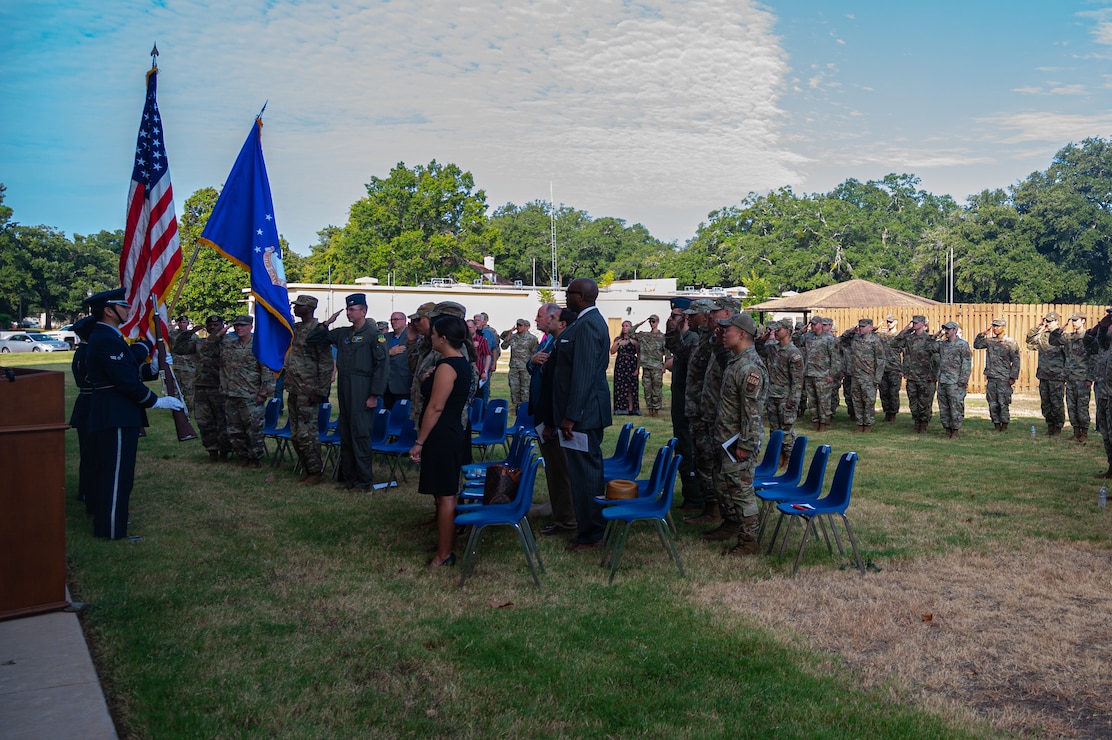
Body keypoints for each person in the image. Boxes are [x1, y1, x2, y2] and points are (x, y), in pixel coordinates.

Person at [84, 288, 184, 540]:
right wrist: (155, 402)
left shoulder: (109, 337)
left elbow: (129, 369)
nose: (129, 310)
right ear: (109, 310)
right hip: (115, 413)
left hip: (117, 412)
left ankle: (111, 522)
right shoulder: (105, 338)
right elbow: (123, 380)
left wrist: (151, 366)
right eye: (123, 306)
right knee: (116, 474)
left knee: (116, 472)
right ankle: (111, 531)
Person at [551, 278, 612, 550]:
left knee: (586, 474)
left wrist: (571, 415)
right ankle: (590, 529)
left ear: (582, 297)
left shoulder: (587, 324)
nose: (566, 298)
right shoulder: (587, 321)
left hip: (583, 415)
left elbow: (584, 374)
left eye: (569, 293)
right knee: (583, 472)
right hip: (583, 412)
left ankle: (592, 534)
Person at [409, 315, 473, 569]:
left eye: (434, 334)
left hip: (443, 433)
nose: (430, 337)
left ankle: (444, 554)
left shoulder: (448, 366)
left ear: (444, 338)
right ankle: (444, 544)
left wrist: (420, 442)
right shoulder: (458, 363)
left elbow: (435, 407)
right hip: (449, 431)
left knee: (446, 495)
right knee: (442, 493)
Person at [315, 293, 388, 489]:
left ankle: (364, 480)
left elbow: (382, 366)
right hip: (345, 385)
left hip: (363, 386)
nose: (349, 313)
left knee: (360, 433)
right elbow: (314, 339)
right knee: (346, 432)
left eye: (353, 310)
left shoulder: (375, 335)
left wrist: (374, 395)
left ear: (364, 311)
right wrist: (327, 322)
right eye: (348, 309)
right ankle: (348, 478)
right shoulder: (343, 334)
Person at [715, 312, 768, 556]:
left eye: (728, 330)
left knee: (742, 490)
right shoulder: (737, 361)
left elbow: (752, 412)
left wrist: (745, 444)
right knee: (733, 488)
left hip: (739, 442)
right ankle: (739, 532)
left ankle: (749, 542)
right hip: (729, 439)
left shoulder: (749, 368)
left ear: (742, 334)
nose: (724, 333)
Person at [697, 296, 743, 541]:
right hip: (715, 416)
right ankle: (726, 518)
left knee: (729, 475)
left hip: (728, 422)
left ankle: (736, 524)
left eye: (716, 313)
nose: (711, 316)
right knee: (718, 471)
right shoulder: (721, 341)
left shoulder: (736, 349)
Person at [532, 305, 578, 535]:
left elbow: (557, 389)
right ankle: (561, 516)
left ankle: (567, 520)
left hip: (553, 421)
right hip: (546, 418)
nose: (541, 320)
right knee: (556, 472)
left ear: (561, 323)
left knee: (562, 473)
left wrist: (551, 423)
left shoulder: (564, 346)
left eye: (551, 317)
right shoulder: (551, 343)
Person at [285, 295, 334, 484]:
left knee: (307, 434)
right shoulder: (295, 329)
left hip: (309, 390)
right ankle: (306, 467)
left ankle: (315, 471)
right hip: (294, 388)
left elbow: (325, 363)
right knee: (296, 434)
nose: (295, 309)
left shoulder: (318, 330)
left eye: (299, 306)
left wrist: (320, 391)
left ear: (310, 308)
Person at [682, 299, 722, 525]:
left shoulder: (714, 342)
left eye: (693, 315)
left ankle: (714, 510)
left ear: (705, 316)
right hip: (697, 408)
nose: (688, 318)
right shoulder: (704, 340)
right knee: (700, 459)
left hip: (707, 410)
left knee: (707, 460)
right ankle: (710, 507)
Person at [173, 315, 232, 462]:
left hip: (220, 387)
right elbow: (178, 348)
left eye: (216, 324)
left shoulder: (229, 343)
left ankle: (224, 452)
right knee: (204, 422)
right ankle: (212, 451)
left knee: (222, 422)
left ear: (222, 325)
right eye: (210, 325)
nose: (213, 327)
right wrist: (189, 333)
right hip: (201, 387)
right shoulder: (200, 342)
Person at [220, 315, 275, 469]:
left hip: (251, 395)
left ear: (251, 327)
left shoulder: (258, 347)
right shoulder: (230, 345)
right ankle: (242, 456)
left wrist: (263, 393)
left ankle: (255, 458)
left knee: (253, 429)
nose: (239, 328)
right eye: (237, 325)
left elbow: (267, 372)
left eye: (243, 325)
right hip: (232, 394)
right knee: (234, 430)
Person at [664, 302, 703, 510]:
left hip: (688, 402)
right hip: (680, 399)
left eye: (675, 315)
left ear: (685, 318)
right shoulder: (684, 338)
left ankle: (695, 497)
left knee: (688, 449)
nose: (672, 319)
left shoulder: (693, 339)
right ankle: (691, 496)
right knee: (681, 446)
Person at [758, 318, 803, 459]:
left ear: (788, 331)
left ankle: (788, 458)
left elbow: (797, 380)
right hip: (772, 395)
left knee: (787, 430)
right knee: (774, 430)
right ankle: (777, 458)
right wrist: (763, 338)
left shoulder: (793, 353)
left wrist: (793, 400)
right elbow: (757, 349)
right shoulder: (773, 348)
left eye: (779, 329)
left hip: (785, 397)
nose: (776, 332)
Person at [1050, 311, 1094, 443]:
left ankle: (1084, 433)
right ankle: (1076, 432)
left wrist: (1090, 378)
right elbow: (1053, 341)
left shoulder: (1088, 338)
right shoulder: (1068, 337)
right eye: (1073, 321)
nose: (1074, 323)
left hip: (1082, 378)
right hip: (1070, 378)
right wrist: (1058, 330)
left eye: (1077, 320)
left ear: (1083, 321)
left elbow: (1093, 359)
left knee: (1082, 407)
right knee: (1071, 406)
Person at [69, 315, 98, 515]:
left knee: (88, 452)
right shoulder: (89, 353)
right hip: (91, 403)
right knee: (92, 453)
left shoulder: (82, 351)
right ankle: (88, 490)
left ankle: (85, 489)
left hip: (86, 403)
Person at [893, 315, 939, 434]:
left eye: (916, 323)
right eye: (913, 322)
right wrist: (904, 330)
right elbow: (893, 344)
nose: (914, 324)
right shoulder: (909, 338)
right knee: (913, 402)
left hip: (925, 377)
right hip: (911, 376)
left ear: (923, 324)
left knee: (925, 402)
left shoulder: (929, 339)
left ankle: (923, 424)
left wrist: (933, 375)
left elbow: (936, 359)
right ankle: (916, 423)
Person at [974, 318, 1021, 431]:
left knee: (1003, 402)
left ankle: (1004, 424)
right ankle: (996, 424)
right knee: (992, 403)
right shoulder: (990, 341)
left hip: (1004, 378)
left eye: (998, 326)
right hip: (992, 377)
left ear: (1004, 327)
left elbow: (1016, 360)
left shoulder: (1010, 342)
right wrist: (982, 335)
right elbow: (977, 345)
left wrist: (1013, 377)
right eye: (994, 326)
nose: (995, 328)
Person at [839, 318, 885, 432]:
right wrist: (850, 331)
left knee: (869, 402)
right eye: (859, 326)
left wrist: (877, 378)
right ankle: (860, 424)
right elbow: (840, 340)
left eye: (863, 326)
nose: (860, 328)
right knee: (857, 401)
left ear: (870, 327)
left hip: (869, 377)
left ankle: (868, 425)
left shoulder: (875, 341)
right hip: (856, 375)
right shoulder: (854, 339)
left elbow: (880, 360)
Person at [1025, 311, 1066, 437]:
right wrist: (1037, 328)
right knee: (1046, 403)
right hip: (1044, 374)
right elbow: (1029, 342)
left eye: (1050, 321)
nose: (1048, 323)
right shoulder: (1042, 335)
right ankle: (1050, 425)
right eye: (1046, 321)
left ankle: (1058, 427)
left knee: (1057, 403)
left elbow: (1068, 356)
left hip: (1057, 376)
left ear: (1057, 321)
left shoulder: (1062, 336)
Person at [1085, 310, 1112, 476]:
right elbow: (1089, 346)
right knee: (1106, 434)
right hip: (1104, 393)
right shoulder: (1105, 342)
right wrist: (1099, 328)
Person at [803, 316, 839, 431]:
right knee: (812, 401)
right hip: (810, 373)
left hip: (823, 374)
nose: (812, 326)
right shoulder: (808, 337)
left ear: (820, 324)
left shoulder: (829, 338)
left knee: (823, 401)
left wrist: (832, 374)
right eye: (811, 324)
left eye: (814, 324)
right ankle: (816, 421)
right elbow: (795, 340)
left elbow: (835, 358)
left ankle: (824, 422)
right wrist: (800, 331)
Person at [937, 321, 972, 438]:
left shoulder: (962, 345)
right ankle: (947, 429)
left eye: (949, 329)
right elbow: (928, 346)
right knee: (944, 407)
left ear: (955, 330)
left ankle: (955, 430)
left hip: (955, 382)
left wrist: (963, 379)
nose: (946, 331)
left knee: (956, 406)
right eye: (945, 329)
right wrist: (936, 335)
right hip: (943, 381)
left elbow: (966, 363)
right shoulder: (941, 344)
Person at [632, 314, 668, 416]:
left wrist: (664, 367)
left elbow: (667, 353)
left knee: (656, 390)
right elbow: (631, 333)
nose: (652, 323)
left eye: (654, 321)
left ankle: (656, 411)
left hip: (657, 367)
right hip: (646, 366)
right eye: (650, 322)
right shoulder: (644, 335)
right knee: (647, 389)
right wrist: (639, 324)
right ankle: (650, 410)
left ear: (658, 322)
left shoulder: (662, 337)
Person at [500, 318, 538, 410]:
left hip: (525, 368)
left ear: (526, 327)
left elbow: (535, 352)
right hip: (514, 367)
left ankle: (525, 409)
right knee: (514, 389)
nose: (518, 327)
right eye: (517, 325)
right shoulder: (512, 337)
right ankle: (517, 407)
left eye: (520, 325)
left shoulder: (532, 338)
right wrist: (510, 333)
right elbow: (503, 346)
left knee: (525, 390)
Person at [610, 320, 640, 415]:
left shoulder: (635, 340)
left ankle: (632, 408)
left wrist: (637, 368)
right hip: (620, 364)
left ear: (630, 327)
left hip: (631, 363)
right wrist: (619, 343)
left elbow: (639, 355)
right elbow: (612, 351)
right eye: (623, 326)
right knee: (620, 386)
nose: (624, 328)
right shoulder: (618, 339)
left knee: (631, 387)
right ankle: (620, 408)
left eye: (627, 326)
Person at [877, 313, 903, 421]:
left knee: (893, 393)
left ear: (896, 322)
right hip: (883, 368)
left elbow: (906, 352)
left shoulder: (899, 336)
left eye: (891, 321)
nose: (888, 323)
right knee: (884, 392)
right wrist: (877, 327)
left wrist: (902, 369)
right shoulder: (883, 335)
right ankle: (886, 413)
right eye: (887, 321)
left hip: (894, 368)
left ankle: (893, 414)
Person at [383, 311, 412, 410]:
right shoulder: (385, 337)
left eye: (396, 319)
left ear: (404, 321)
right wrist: (389, 353)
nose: (393, 322)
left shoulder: (411, 337)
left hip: (403, 384)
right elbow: (376, 354)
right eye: (391, 320)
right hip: (386, 385)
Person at [168, 315, 197, 410]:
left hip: (188, 367)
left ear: (188, 324)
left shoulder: (193, 336)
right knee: (175, 390)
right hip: (175, 366)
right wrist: (174, 325)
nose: (182, 324)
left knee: (188, 390)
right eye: (180, 322)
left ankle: (188, 409)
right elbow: (163, 334)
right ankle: (177, 410)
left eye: (184, 322)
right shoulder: (173, 334)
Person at [473, 313, 500, 402]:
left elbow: (494, 349)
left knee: (484, 388)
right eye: (475, 320)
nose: (477, 322)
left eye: (478, 320)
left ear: (483, 321)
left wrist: (494, 363)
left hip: (485, 365)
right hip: (473, 365)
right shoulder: (470, 333)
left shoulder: (489, 334)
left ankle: (483, 407)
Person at [468, 318, 493, 394]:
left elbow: (488, 355)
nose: (468, 330)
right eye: (466, 328)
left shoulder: (482, 340)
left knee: (478, 396)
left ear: (475, 328)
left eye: (470, 327)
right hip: (466, 372)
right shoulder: (463, 341)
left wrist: (485, 371)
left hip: (478, 372)